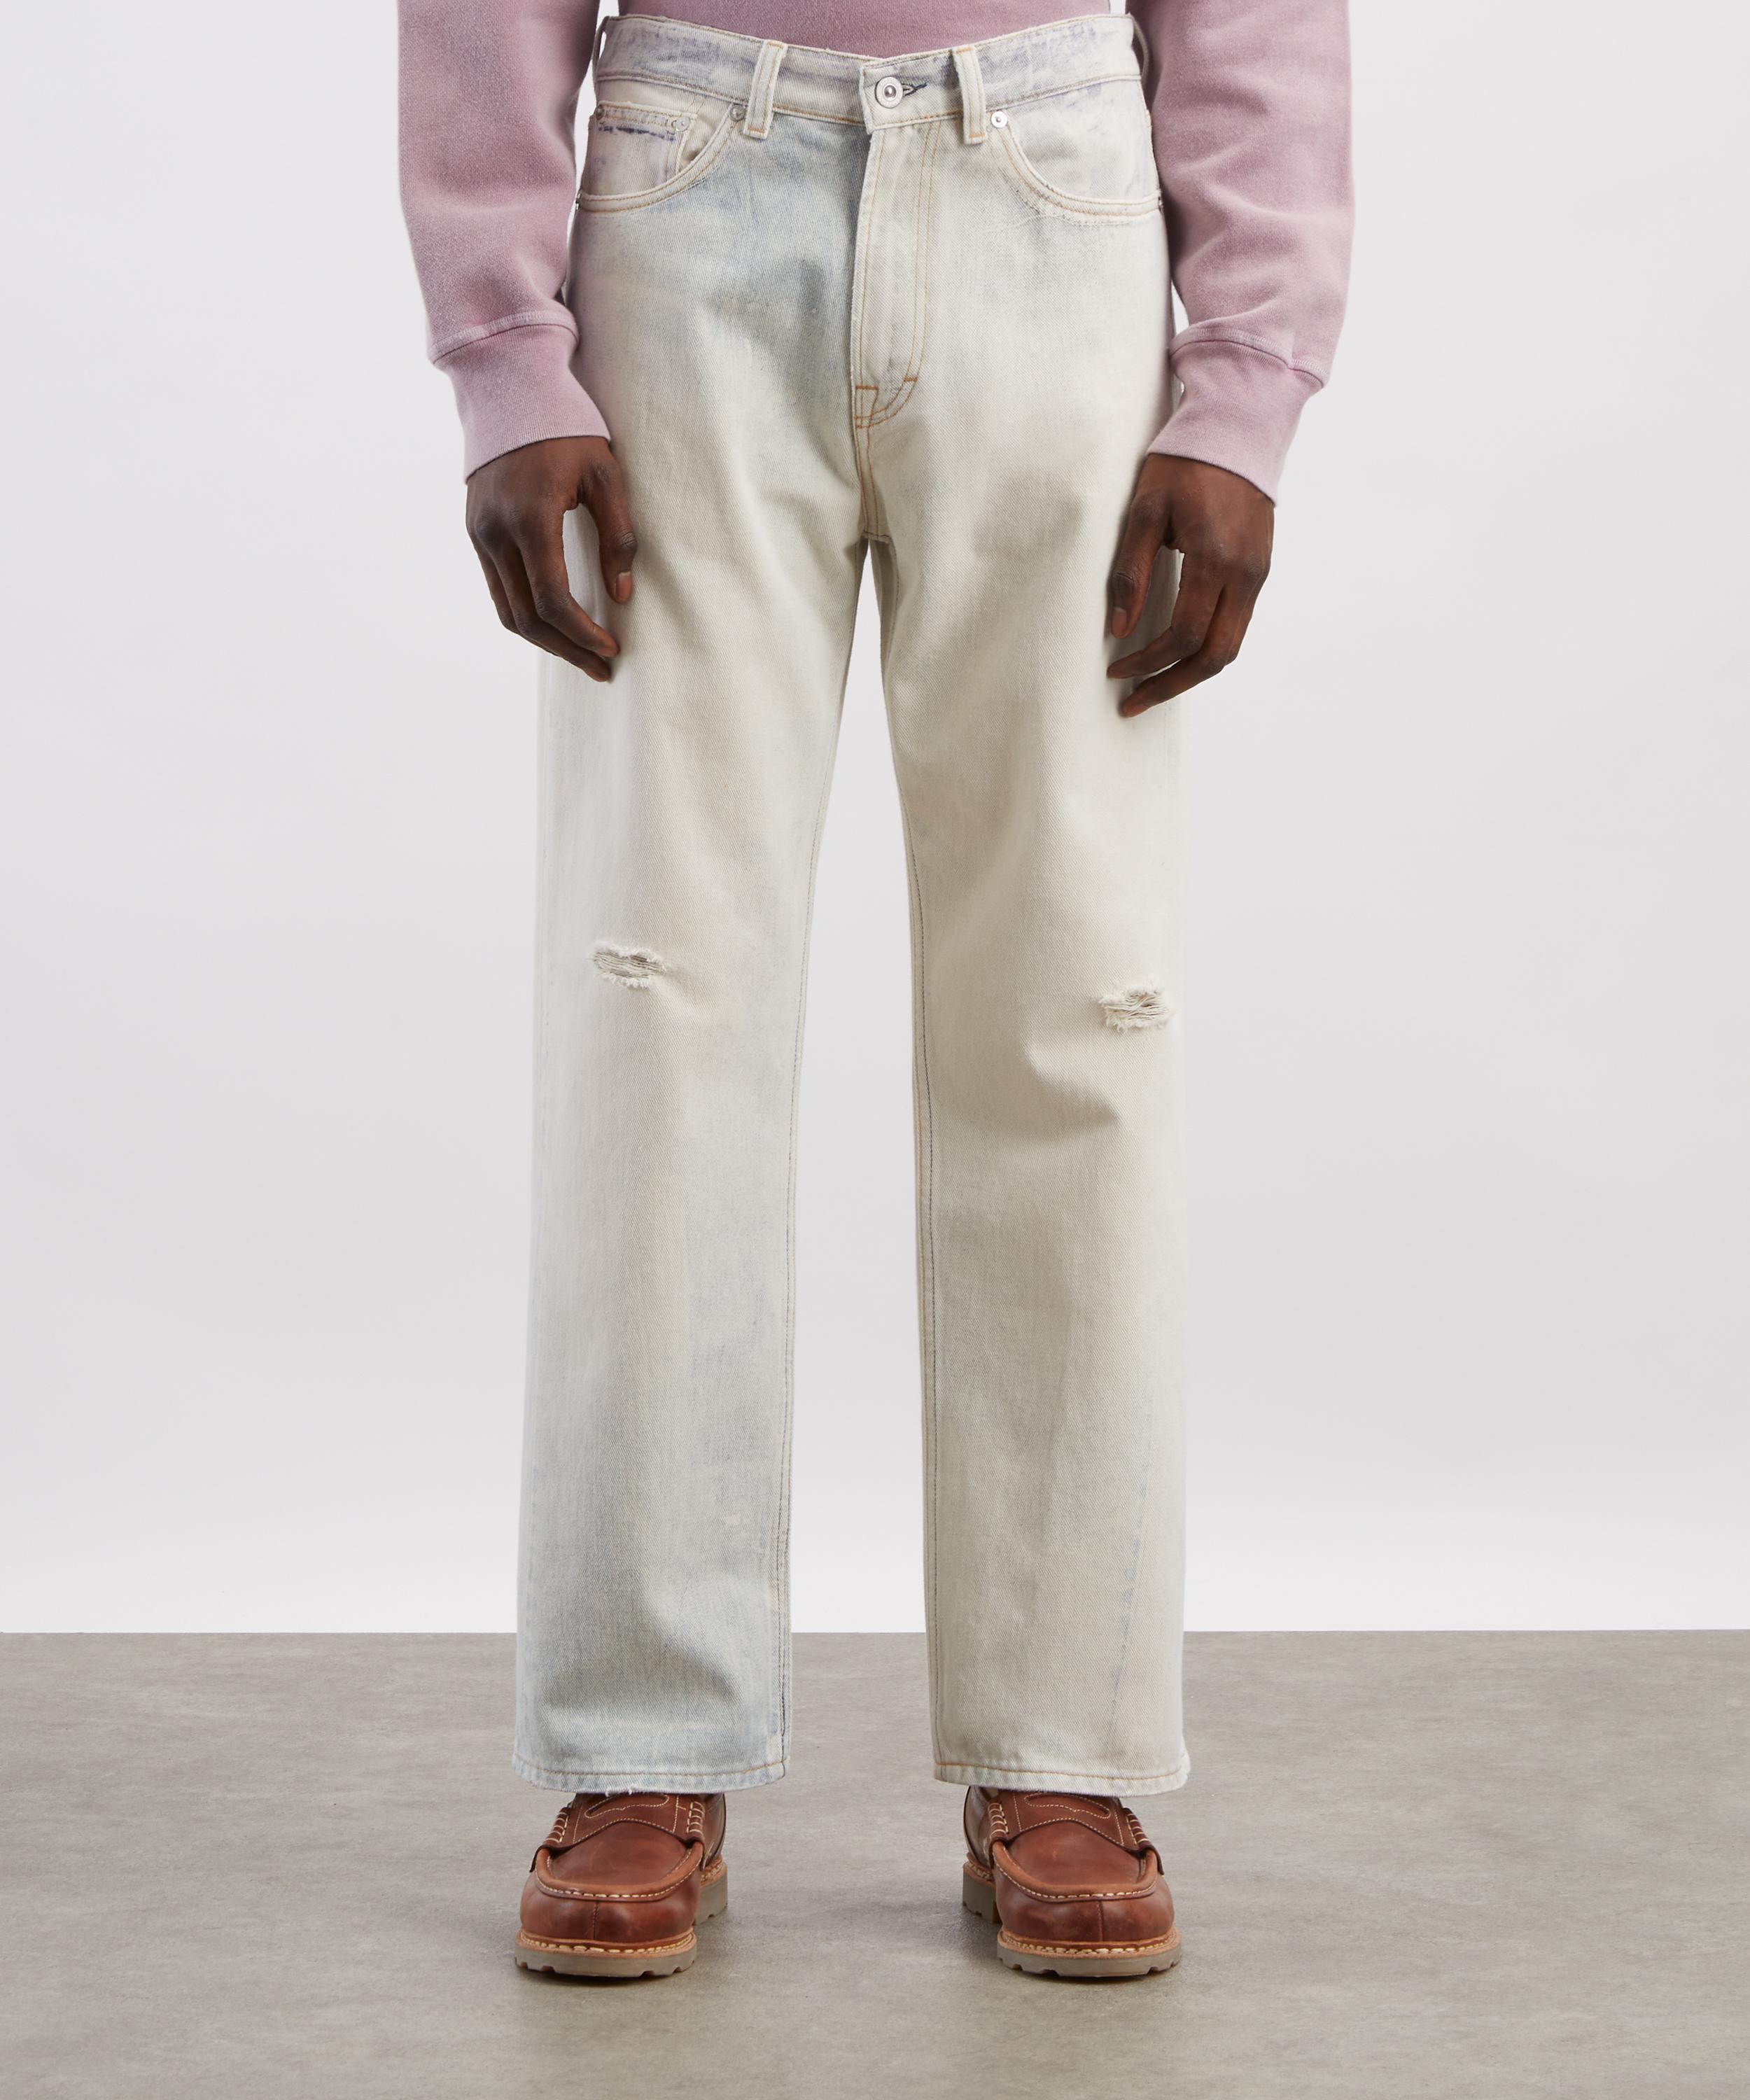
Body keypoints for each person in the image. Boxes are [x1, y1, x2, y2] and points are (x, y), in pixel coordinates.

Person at [399, 0, 1350, 1981]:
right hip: (686, 191)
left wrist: (1243, 384)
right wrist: (503, 353)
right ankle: (639, 1736)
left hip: (1053, 191)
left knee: (1076, 1003)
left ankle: (1064, 1743)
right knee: (654, 990)